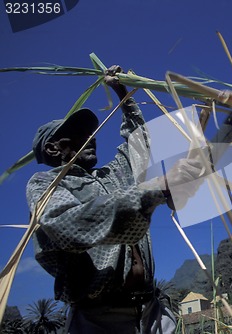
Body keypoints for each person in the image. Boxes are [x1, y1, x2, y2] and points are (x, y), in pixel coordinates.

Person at [26, 66, 202, 333]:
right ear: (52, 147)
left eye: (91, 131)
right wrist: (156, 189)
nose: (91, 137)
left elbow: (139, 144)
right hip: (100, 320)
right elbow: (69, 226)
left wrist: (123, 93)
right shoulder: (45, 184)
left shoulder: (113, 176)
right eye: (78, 132)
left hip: (152, 312)